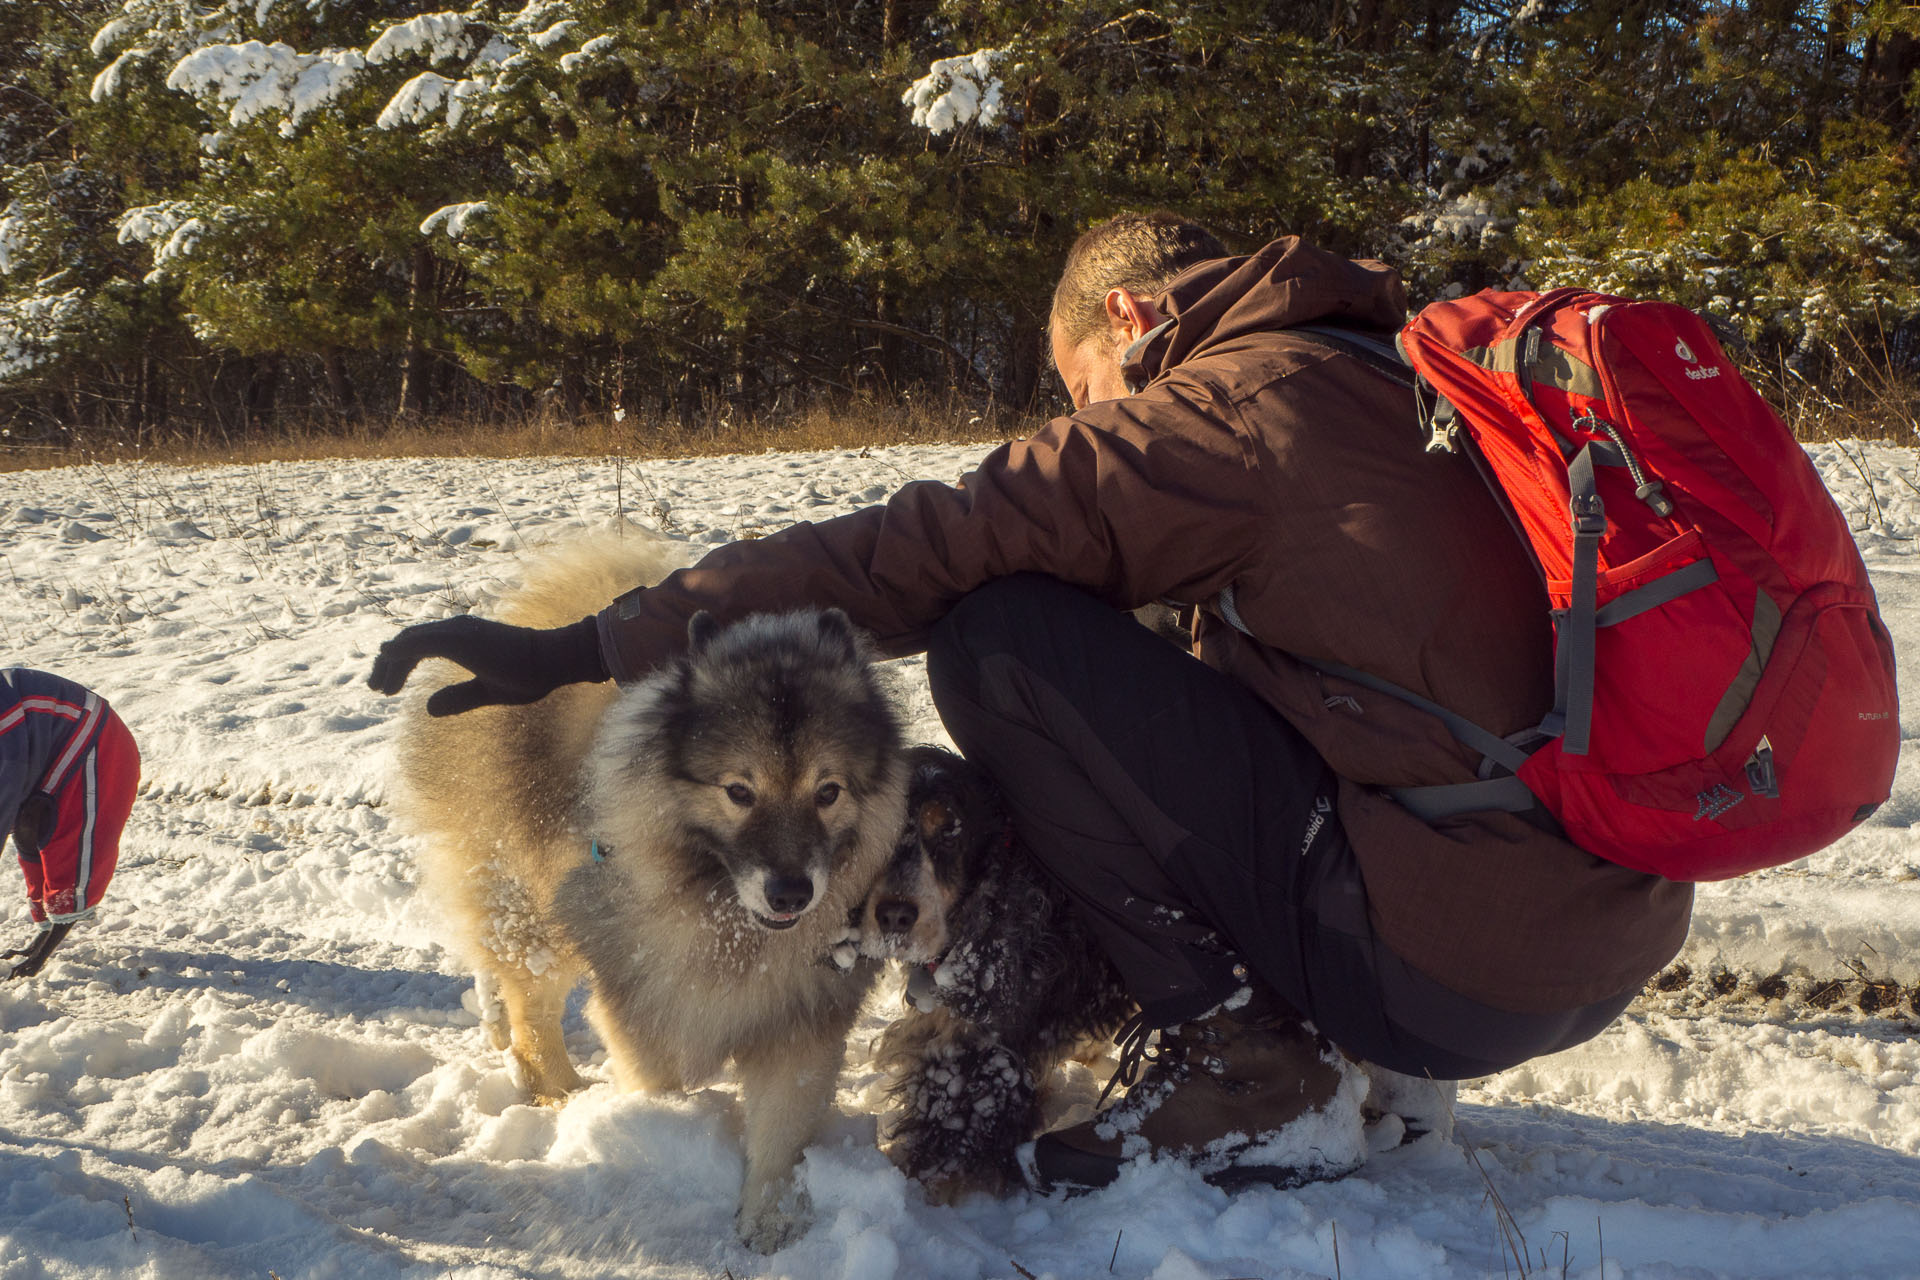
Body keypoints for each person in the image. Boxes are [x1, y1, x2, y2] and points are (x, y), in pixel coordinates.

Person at [367, 212, 1693, 1191]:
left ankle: (1247, 1064)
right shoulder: (1394, 384)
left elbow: (937, 543)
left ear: (1124, 326)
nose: (1090, 420)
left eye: (1080, 395)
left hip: (1443, 958)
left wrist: (606, 641)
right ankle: (1367, 1065)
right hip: (1578, 943)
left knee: (1005, 639)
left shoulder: (1226, 406)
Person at [2, 667, 141, 979]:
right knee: (27, 834)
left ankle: (46, 948)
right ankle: (43, 937)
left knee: (67, 844)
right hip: (48, 748)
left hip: (97, 742)